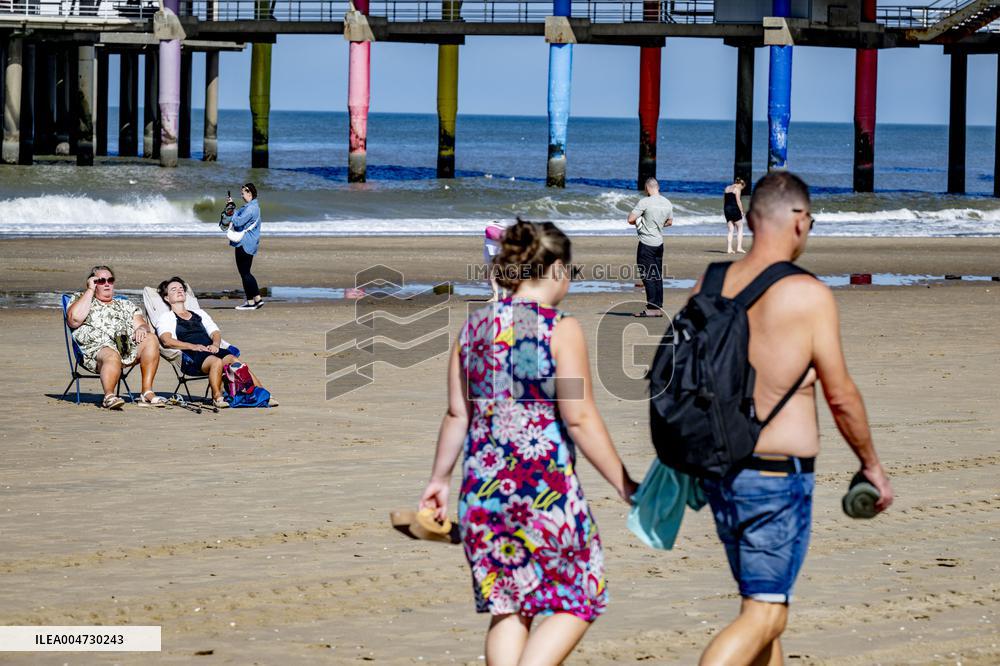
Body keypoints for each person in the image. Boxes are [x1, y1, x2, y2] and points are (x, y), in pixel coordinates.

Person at [692, 172, 893, 666]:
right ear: (799, 221)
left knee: (761, 606)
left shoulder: (711, 282)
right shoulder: (807, 295)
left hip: (720, 472)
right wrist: (871, 464)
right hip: (776, 478)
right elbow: (840, 395)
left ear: (752, 218)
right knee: (766, 614)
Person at [419, 219, 638, 666]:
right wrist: (624, 484)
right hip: (543, 493)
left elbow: (457, 414)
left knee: (508, 607)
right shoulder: (561, 329)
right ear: (555, 270)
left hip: (482, 497)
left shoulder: (474, 330)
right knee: (582, 595)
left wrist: (438, 480)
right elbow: (578, 418)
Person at [154, 277, 269, 409]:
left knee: (233, 359)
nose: (179, 291)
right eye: (173, 289)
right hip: (190, 356)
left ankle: (261, 392)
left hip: (210, 349)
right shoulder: (166, 317)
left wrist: (215, 344)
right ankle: (217, 397)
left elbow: (215, 332)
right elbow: (166, 340)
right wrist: (193, 346)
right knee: (216, 362)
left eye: (181, 288)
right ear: (167, 298)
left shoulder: (199, 313)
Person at [66, 266, 166, 409]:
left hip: (125, 347)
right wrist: (90, 291)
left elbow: (142, 324)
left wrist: (142, 329)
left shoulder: (125, 304)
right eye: (101, 281)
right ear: (93, 283)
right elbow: (74, 320)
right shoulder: (81, 299)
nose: (107, 283)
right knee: (112, 355)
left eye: (110, 280)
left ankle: (146, 392)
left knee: (151, 339)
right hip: (96, 351)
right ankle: (109, 396)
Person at [627, 177, 673, 318]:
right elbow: (670, 222)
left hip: (647, 244)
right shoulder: (667, 202)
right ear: (657, 187)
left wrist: (641, 223)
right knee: (657, 275)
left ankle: (652, 308)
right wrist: (656, 226)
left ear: (647, 188)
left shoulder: (645, 202)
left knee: (648, 276)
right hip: (659, 244)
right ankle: (658, 307)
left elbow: (630, 219)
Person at [223, 183, 263, 311]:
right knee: (246, 273)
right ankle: (255, 299)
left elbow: (238, 221)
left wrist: (232, 211)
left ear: (249, 193)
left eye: (243, 193)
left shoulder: (251, 208)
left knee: (245, 273)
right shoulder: (252, 206)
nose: (241, 195)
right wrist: (231, 206)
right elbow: (238, 215)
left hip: (244, 243)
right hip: (249, 243)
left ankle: (252, 302)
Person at [483, 220, 510, 302]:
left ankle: (496, 296)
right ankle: (505, 295)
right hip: (503, 248)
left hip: (491, 248)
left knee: (492, 272)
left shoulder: (489, 223)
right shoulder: (505, 224)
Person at [723, 177, 747, 254]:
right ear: (740, 184)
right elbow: (738, 201)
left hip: (726, 209)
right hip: (734, 209)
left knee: (730, 230)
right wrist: (742, 211)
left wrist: (726, 210)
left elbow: (724, 200)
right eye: (742, 187)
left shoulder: (727, 188)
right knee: (740, 227)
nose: (742, 189)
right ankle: (739, 247)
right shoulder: (737, 189)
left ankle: (729, 249)